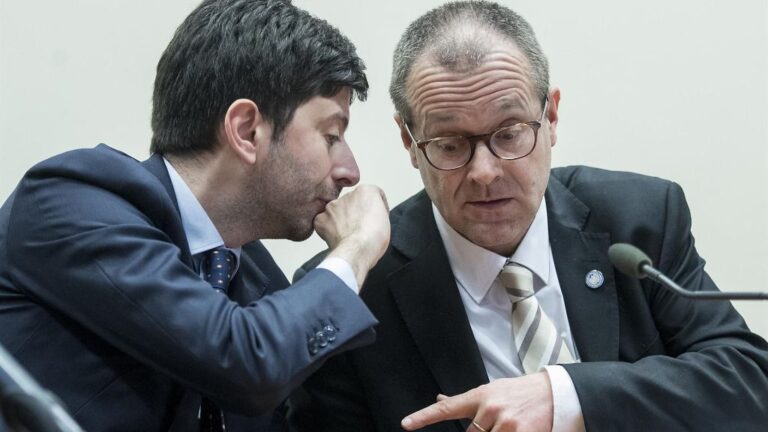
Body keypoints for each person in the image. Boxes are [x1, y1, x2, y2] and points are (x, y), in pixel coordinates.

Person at [289, 1, 768, 431]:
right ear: (409, 142)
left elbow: (748, 380)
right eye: (449, 144)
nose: (484, 172)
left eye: (510, 133)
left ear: (551, 117)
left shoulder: (638, 220)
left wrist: (564, 396)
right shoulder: (356, 293)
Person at [0, 0, 390, 431]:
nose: (350, 171)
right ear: (246, 130)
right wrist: (358, 246)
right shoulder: (71, 203)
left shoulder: (262, 288)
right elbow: (243, 362)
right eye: (331, 135)